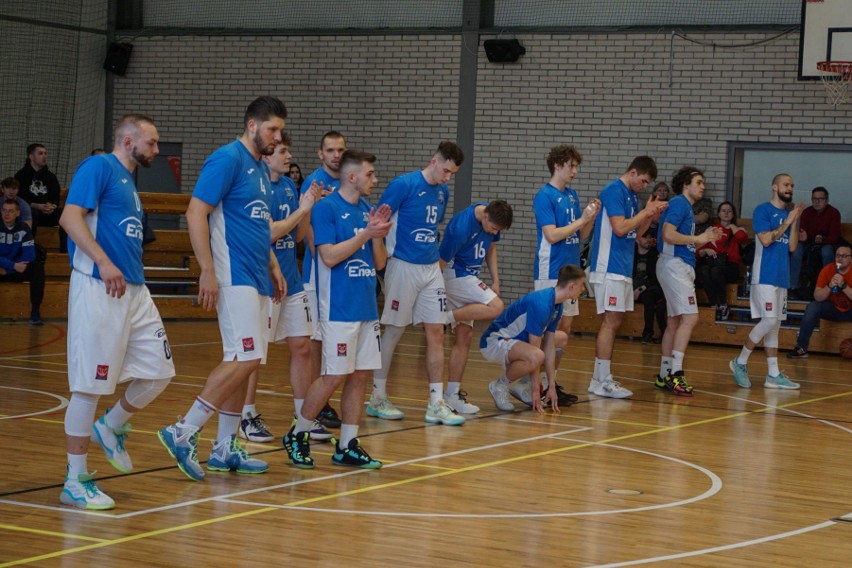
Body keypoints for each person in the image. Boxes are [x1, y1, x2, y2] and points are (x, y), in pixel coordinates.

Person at [158, 96, 288, 481]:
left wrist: (274, 264)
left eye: (279, 130)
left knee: (244, 363)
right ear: (252, 125)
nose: (277, 137)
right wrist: (206, 270)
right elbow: (196, 212)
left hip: (257, 274)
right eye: (272, 129)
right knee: (244, 359)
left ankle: (224, 448)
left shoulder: (261, 170)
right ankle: (183, 430)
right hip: (233, 276)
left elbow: (258, 226)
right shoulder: (227, 158)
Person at [57, 114, 175, 509]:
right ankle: (75, 480)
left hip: (135, 291)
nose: (157, 151)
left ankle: (111, 425)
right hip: (99, 287)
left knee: (160, 371)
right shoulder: (98, 167)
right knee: (89, 386)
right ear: (128, 141)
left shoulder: (130, 184)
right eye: (153, 143)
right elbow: (69, 218)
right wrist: (104, 262)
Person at [283, 149, 391, 469]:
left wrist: (376, 236)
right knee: (333, 376)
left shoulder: (369, 210)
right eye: (370, 174)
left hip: (366, 306)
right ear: (352, 176)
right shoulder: (326, 209)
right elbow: (328, 256)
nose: (375, 179)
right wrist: (366, 235)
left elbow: (381, 263)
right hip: (338, 309)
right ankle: (298, 433)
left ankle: (347, 444)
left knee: (359, 377)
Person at [368, 141, 465, 426]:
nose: (448, 178)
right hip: (402, 266)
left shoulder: (443, 191)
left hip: (430, 268)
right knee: (395, 330)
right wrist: (381, 260)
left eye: (452, 174)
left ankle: (436, 401)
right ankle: (377, 396)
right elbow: (377, 220)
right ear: (433, 160)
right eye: (445, 171)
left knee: (437, 332)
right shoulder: (404, 184)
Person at [239, 137, 323, 443]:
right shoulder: (257, 187)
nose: (289, 156)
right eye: (283, 151)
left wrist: (310, 207)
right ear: (267, 157)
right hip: (263, 281)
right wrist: (301, 212)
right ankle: (247, 415)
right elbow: (269, 233)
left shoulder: (289, 185)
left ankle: (303, 417)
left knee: (302, 346)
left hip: (292, 280)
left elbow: (298, 237)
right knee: (255, 355)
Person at [522, 144, 599, 404]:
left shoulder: (572, 195)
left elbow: (580, 236)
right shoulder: (544, 196)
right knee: (545, 330)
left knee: (564, 331)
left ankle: (549, 383)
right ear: (557, 165)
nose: (575, 171)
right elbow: (552, 234)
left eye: (577, 166)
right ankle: (532, 383)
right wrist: (581, 220)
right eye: (572, 166)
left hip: (571, 269)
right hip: (550, 270)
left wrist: (590, 219)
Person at [587, 156, 667, 398]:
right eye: (643, 181)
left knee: (616, 321)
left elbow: (636, 234)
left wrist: (649, 218)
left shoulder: (632, 196)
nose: (644, 186)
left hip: (622, 266)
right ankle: (600, 379)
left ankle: (600, 378)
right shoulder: (614, 190)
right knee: (610, 321)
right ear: (632, 172)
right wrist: (645, 212)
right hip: (607, 265)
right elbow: (620, 228)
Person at [730, 173, 804, 390]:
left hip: (782, 275)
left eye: (792, 185)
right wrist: (787, 221)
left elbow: (791, 247)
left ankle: (773, 375)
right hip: (765, 275)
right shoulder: (762, 210)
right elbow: (765, 240)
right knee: (769, 321)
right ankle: (740, 361)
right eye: (786, 184)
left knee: (775, 326)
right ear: (774, 187)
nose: (790, 188)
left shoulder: (788, 214)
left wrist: (794, 222)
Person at [438, 199, 513, 414]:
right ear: (485, 217)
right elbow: (440, 263)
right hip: (454, 275)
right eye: (493, 228)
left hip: (470, 276)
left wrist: (495, 279)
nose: (494, 232)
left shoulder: (491, 217)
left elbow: (490, 247)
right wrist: (431, 293)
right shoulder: (460, 227)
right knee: (496, 306)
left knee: (465, 337)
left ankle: (452, 394)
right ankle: (446, 317)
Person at [654, 167, 723, 396]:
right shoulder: (679, 204)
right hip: (674, 265)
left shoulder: (685, 207)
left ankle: (665, 375)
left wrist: (706, 239)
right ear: (686, 184)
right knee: (691, 317)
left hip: (676, 264)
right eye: (699, 182)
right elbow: (668, 234)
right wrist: (698, 237)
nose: (703, 186)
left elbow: (683, 242)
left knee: (674, 321)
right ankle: (676, 374)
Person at [481, 264, 585, 413]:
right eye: (581, 286)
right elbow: (535, 349)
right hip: (494, 341)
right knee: (536, 355)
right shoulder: (542, 304)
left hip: (516, 341)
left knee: (560, 338)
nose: (583, 290)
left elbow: (549, 344)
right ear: (572, 286)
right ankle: (500, 385)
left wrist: (551, 386)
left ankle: (524, 385)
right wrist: (536, 390)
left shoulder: (558, 304)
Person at [301, 131, 347, 430]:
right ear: (320, 154)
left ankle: (322, 399)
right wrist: (323, 256)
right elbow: (306, 228)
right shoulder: (314, 183)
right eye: (330, 150)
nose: (336, 155)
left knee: (330, 339)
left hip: (340, 274)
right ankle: (315, 403)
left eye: (340, 149)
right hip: (317, 274)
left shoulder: (347, 180)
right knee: (315, 341)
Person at [788, 245, 852, 359]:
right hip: (834, 309)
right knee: (813, 306)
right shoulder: (827, 270)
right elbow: (817, 297)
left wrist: (844, 286)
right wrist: (829, 286)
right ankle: (801, 347)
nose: (840, 258)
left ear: (851, 258)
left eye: (844, 256)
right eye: (837, 255)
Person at [696, 201, 749, 320]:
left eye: (729, 211)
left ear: (733, 214)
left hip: (731, 267)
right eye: (723, 211)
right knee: (704, 270)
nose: (726, 213)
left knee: (715, 271)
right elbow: (697, 252)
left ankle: (724, 305)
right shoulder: (712, 230)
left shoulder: (738, 230)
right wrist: (706, 250)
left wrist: (732, 226)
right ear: (718, 214)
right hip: (714, 264)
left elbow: (742, 239)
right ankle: (714, 303)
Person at [789, 187, 842, 298]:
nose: (817, 202)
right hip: (809, 244)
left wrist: (822, 239)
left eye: (820, 199)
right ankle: (792, 287)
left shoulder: (834, 213)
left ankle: (828, 286)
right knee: (796, 249)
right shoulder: (807, 212)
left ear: (827, 200)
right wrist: (803, 237)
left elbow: (834, 237)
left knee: (827, 251)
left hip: (827, 244)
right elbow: (803, 233)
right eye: (814, 199)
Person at [15, 143, 66, 251]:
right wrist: (37, 206)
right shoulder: (21, 175)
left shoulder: (51, 177)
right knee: (31, 212)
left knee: (65, 214)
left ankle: (65, 252)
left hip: (47, 213)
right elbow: (20, 199)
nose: (44, 156)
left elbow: (55, 197)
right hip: (30, 213)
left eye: (45, 153)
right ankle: (28, 249)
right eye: (40, 153)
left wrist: (51, 206)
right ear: (31, 157)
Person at [0, 199, 44, 324]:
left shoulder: (24, 228)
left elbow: (29, 255)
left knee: (37, 268)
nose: (7, 214)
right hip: (7, 267)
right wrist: (12, 265)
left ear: (18, 213)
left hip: (13, 269)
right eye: (4, 210)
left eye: (11, 211)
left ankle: (35, 312)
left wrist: (9, 269)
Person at [633, 229, 666, 344]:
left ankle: (647, 334)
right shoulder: (632, 254)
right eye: (644, 237)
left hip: (650, 288)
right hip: (633, 287)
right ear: (637, 239)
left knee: (648, 297)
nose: (648, 240)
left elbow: (656, 277)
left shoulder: (654, 254)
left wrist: (641, 288)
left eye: (649, 237)